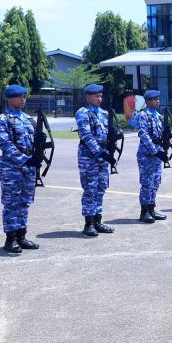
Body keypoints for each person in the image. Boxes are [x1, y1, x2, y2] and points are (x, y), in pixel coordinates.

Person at [0, 84, 41, 254]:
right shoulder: (3, 119)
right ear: (9, 98)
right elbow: (6, 145)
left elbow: (36, 144)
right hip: (11, 168)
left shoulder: (28, 119)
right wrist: (25, 160)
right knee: (11, 203)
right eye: (19, 97)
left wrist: (38, 155)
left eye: (24, 96)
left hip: (28, 168)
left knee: (24, 202)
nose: (23, 99)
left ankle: (22, 235)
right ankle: (11, 239)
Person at [75, 84, 117, 236]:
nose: (99, 99)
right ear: (88, 97)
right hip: (89, 156)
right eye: (96, 96)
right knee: (90, 189)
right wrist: (99, 151)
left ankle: (98, 221)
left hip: (103, 155)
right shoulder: (83, 113)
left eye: (100, 96)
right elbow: (86, 135)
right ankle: (89, 223)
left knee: (101, 187)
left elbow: (108, 134)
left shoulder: (104, 113)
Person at [136, 90, 169, 223]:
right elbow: (143, 134)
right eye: (155, 99)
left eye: (158, 99)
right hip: (146, 153)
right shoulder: (143, 115)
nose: (158, 101)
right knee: (147, 183)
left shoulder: (158, 116)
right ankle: (144, 212)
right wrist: (155, 150)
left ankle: (151, 208)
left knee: (155, 182)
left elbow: (160, 135)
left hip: (157, 152)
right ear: (148, 101)